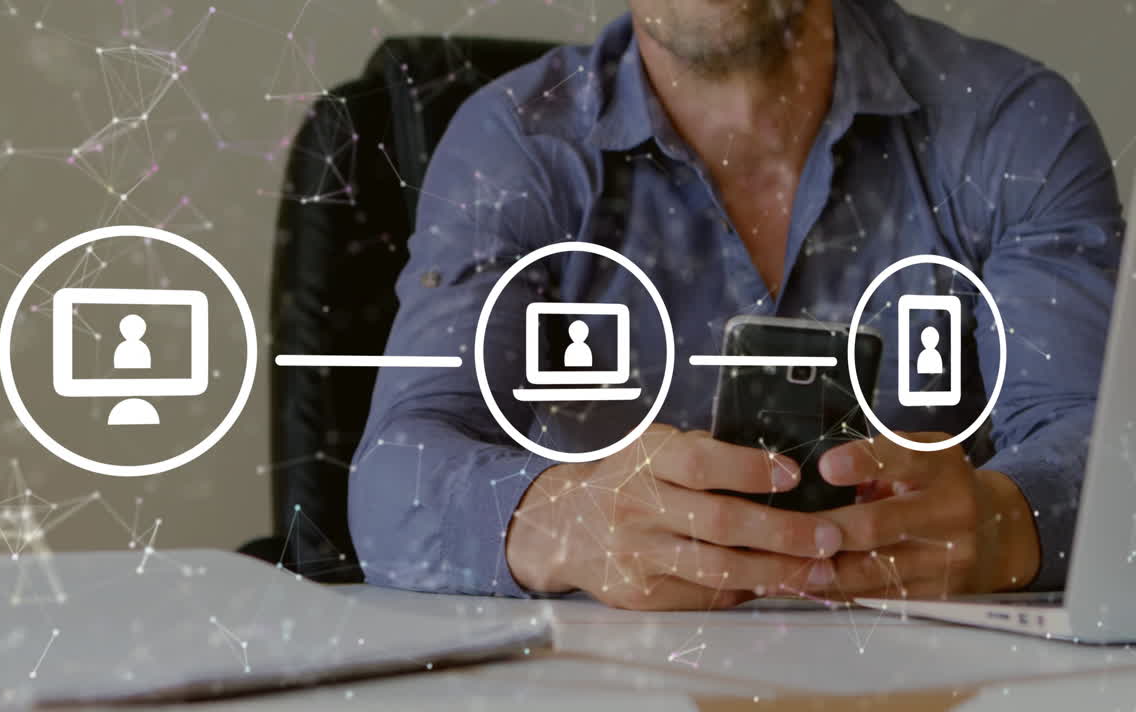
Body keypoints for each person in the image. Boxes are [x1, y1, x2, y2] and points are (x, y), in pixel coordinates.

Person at [349, 0, 1123, 609]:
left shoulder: (1010, 122)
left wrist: (1004, 521)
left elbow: (1103, 443)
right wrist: (559, 521)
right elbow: (395, 472)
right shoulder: (514, 140)